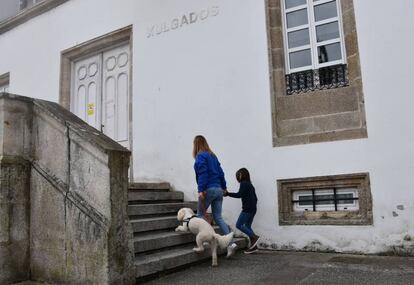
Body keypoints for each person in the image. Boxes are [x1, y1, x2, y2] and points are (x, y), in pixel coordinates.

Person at [193, 135, 238, 258]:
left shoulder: (200, 156)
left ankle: (202, 243)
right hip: (218, 189)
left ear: (196, 145)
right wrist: (224, 187)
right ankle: (231, 243)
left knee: (199, 216)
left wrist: (201, 189)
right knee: (218, 217)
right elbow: (221, 173)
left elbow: (203, 173)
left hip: (208, 189)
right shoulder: (213, 156)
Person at [224, 168, 259, 254]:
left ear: (241, 175)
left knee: (239, 224)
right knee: (247, 226)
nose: (237, 177)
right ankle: (254, 247)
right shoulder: (250, 185)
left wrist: (228, 194)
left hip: (247, 209)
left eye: (237, 175)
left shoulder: (244, 184)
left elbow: (239, 195)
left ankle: (254, 237)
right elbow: (256, 198)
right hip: (253, 208)